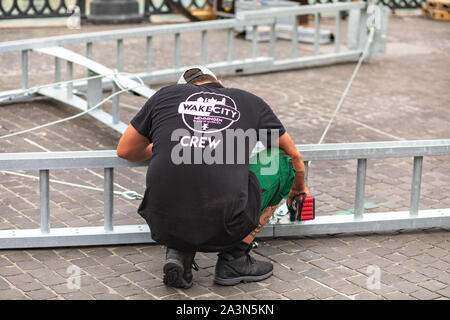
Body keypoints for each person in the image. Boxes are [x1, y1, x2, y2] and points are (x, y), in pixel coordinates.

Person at [116, 66, 309, 288]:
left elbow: (126, 150)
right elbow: (291, 154)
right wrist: (299, 188)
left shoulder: (165, 95)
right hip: (228, 224)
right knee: (279, 161)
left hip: (163, 223)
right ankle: (234, 260)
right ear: (217, 84)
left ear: (185, 88)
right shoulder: (249, 102)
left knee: (184, 179)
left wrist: (165, 145)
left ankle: (179, 251)